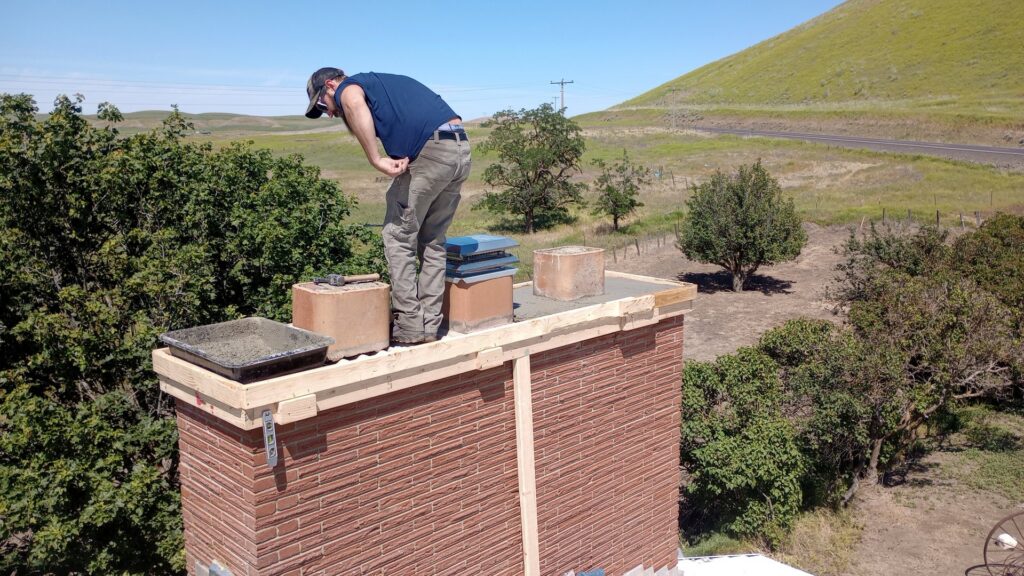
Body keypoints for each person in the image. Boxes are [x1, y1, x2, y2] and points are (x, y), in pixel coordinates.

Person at [304, 67, 471, 344]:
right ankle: (429, 325)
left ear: (331, 85)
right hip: (459, 150)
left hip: (430, 154)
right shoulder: (382, 84)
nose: (330, 113)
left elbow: (354, 102)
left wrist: (375, 158)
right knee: (433, 241)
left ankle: (409, 325)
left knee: (397, 238)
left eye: (323, 105)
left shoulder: (351, 87)